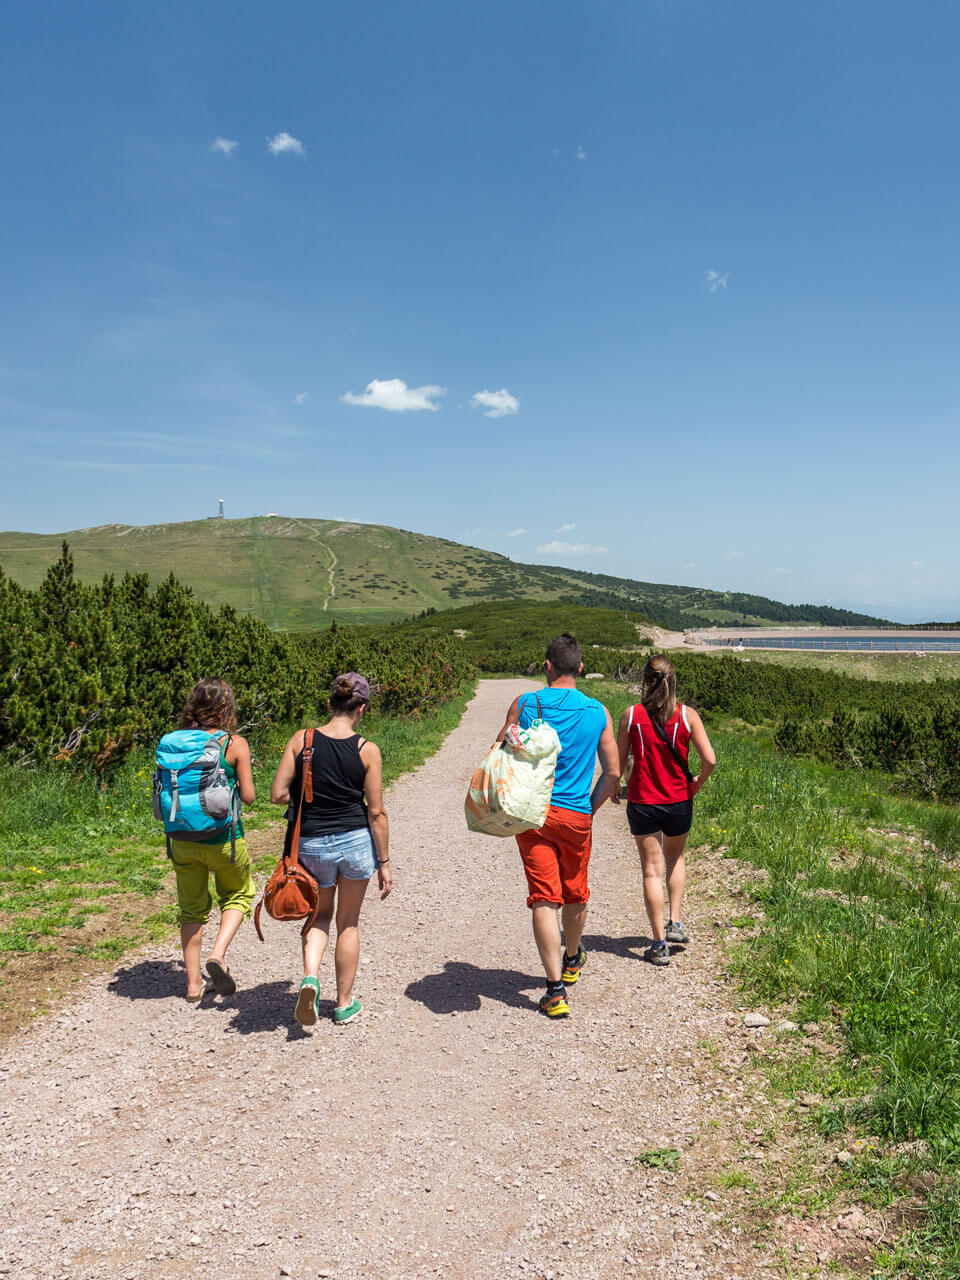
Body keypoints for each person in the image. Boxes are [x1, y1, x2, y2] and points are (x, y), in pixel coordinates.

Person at [496, 634, 620, 1019]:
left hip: (533, 815)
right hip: (576, 816)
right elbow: (613, 772)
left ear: (547, 666)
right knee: (575, 892)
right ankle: (571, 958)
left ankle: (554, 991)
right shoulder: (598, 711)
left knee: (543, 898)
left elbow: (501, 750)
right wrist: (589, 808)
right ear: (580, 668)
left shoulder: (526, 704)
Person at [270, 672, 392, 1028]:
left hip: (310, 844)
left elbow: (277, 794)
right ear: (362, 710)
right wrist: (383, 862)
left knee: (319, 916)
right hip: (355, 842)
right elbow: (376, 811)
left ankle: (310, 977)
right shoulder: (367, 749)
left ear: (329, 703)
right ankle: (342, 1002)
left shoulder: (301, 740)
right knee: (348, 923)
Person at [615, 654, 716, 966]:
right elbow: (710, 760)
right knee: (675, 858)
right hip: (678, 801)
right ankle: (675, 923)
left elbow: (618, 763)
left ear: (645, 680)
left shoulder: (631, 715)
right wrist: (696, 783)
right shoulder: (688, 716)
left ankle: (658, 944)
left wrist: (616, 789)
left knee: (651, 870)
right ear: (674, 682)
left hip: (643, 802)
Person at [168, 677, 256, 1001]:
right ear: (227, 708)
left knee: (191, 909)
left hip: (181, 838)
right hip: (225, 840)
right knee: (237, 894)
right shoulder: (234, 744)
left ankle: (193, 984)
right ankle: (218, 953)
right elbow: (249, 797)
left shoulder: (173, 742)